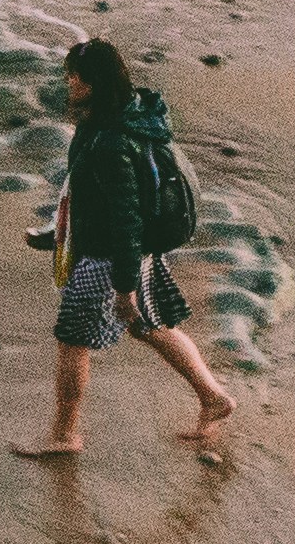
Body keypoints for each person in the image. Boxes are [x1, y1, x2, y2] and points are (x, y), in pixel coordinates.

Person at [16, 38, 236, 456]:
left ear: (92, 83)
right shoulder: (115, 118)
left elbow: (126, 218)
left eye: (73, 77)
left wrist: (124, 287)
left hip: (112, 256)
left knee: (72, 337)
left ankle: (65, 435)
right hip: (119, 250)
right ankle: (213, 398)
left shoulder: (114, 141)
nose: (68, 83)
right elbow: (83, 194)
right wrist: (55, 236)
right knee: (147, 325)